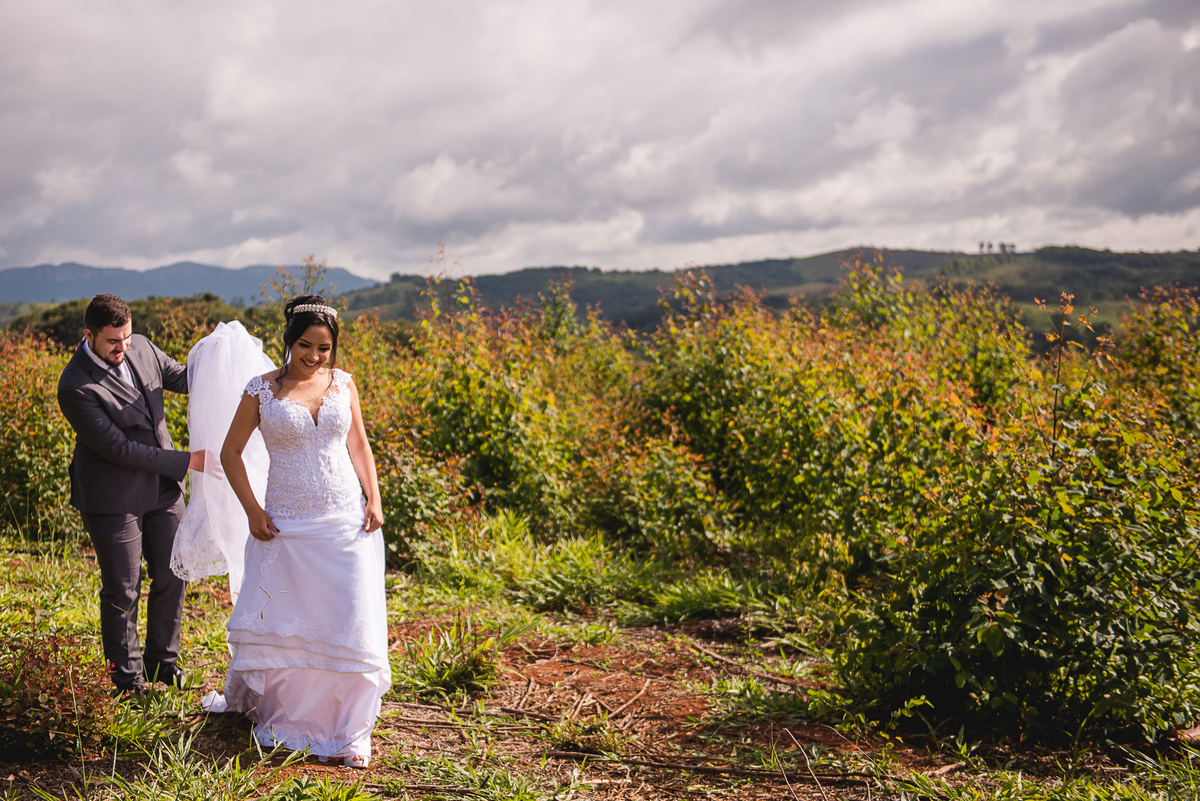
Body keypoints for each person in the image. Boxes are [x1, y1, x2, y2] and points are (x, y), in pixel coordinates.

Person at [209, 295, 389, 768]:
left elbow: (359, 443)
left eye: (324, 348)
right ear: (289, 342)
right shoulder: (261, 390)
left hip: (344, 520)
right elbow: (230, 453)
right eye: (306, 345)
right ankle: (290, 717)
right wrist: (251, 510)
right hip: (285, 524)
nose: (314, 356)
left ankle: (350, 729)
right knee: (291, 620)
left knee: (348, 617)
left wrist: (375, 497)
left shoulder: (343, 384)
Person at [56, 293, 213, 695]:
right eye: (113, 342)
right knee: (123, 589)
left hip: (162, 489)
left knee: (173, 572)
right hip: (113, 497)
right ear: (89, 335)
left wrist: (226, 364)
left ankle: (163, 663)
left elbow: (182, 377)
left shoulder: (140, 345)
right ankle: (126, 683)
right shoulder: (75, 386)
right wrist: (187, 461)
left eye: (126, 338)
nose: (123, 348)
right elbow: (119, 450)